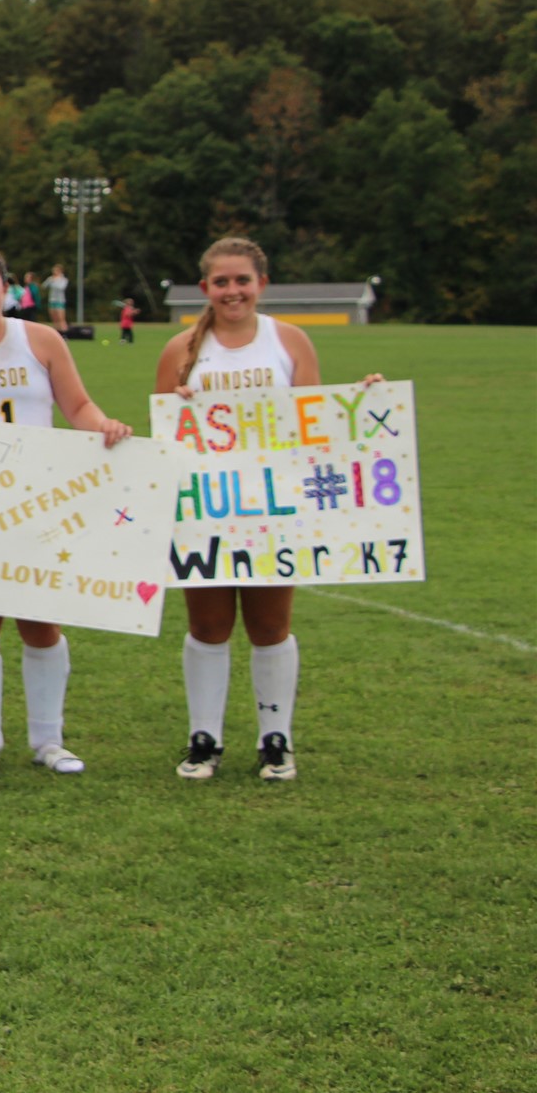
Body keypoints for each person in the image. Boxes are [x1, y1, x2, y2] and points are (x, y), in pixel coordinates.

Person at [154, 237, 381, 781]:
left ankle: (275, 740)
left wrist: (367, 401)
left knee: (270, 627)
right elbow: (161, 440)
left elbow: (317, 423)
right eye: (222, 282)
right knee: (208, 627)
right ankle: (202, 740)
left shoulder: (290, 341)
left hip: (276, 511)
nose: (233, 291)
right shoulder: (180, 349)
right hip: (205, 510)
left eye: (243, 281)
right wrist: (178, 411)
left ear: (261, 284)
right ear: (205, 287)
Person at [0, 246, 131, 779]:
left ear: (5, 289)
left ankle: (48, 740)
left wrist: (103, 425)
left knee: (41, 622)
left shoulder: (39, 340)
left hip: (40, 504)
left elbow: (76, 405)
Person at [45, 265, 70, 335]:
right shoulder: (51, 279)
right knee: (54, 318)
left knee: (61, 318)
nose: (54, 272)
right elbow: (44, 285)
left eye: (55, 270)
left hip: (60, 300)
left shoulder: (63, 279)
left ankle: (65, 334)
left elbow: (61, 287)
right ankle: (57, 333)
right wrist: (51, 280)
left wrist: (54, 281)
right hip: (52, 300)